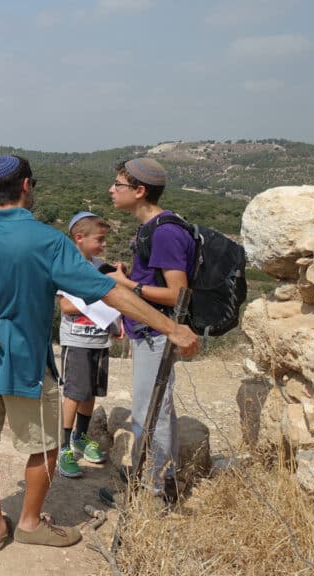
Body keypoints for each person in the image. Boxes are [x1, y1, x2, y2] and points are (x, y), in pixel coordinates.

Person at [0, 154, 198, 550]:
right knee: (46, 446)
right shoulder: (48, 241)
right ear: (27, 186)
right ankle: (29, 523)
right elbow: (109, 291)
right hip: (27, 365)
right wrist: (172, 327)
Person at [104, 158, 195, 505]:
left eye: (119, 185)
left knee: (148, 410)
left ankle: (153, 489)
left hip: (156, 334)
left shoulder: (165, 232)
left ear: (140, 191)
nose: (112, 190)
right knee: (159, 408)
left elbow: (177, 293)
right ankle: (164, 479)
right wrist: (135, 278)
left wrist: (127, 285)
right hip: (147, 332)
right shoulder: (151, 229)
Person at [56, 212, 123, 479]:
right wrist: (98, 295)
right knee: (74, 392)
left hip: (98, 340)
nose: (104, 245)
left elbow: (115, 299)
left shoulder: (100, 267)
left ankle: (81, 438)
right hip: (77, 340)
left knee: (90, 391)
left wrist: (117, 323)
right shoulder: (66, 267)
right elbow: (66, 306)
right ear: (79, 238)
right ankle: (63, 447)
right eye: (100, 239)